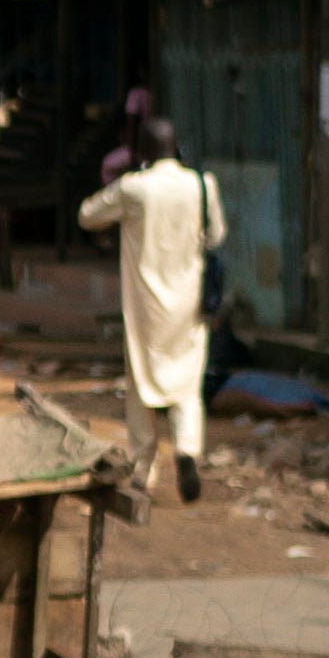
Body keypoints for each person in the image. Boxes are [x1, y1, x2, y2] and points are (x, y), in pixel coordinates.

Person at [77, 131, 226, 501]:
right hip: (189, 303)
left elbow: (87, 215)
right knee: (187, 384)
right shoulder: (202, 185)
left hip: (146, 306)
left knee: (142, 382)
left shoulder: (133, 188)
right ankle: (187, 450)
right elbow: (217, 235)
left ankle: (145, 467)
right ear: (178, 148)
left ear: (143, 151)